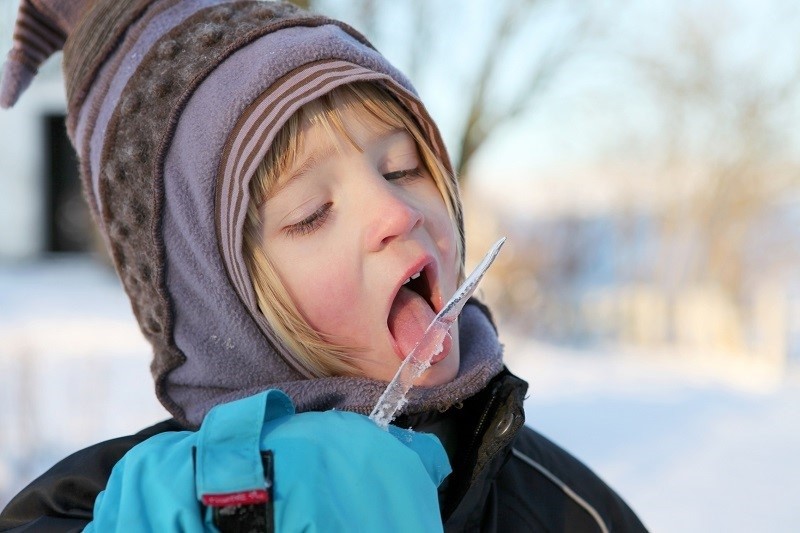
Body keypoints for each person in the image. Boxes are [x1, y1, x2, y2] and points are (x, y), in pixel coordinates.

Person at [0, 0, 648, 531]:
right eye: (312, 212)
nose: (397, 210)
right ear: (214, 307)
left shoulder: (569, 510)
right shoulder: (99, 514)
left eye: (402, 167)